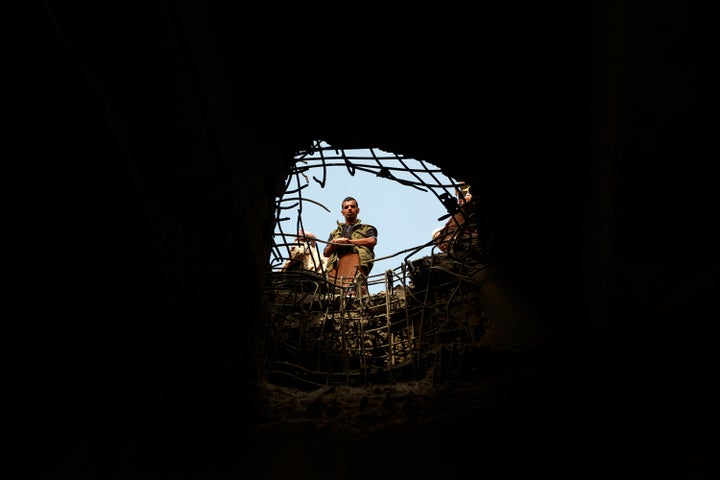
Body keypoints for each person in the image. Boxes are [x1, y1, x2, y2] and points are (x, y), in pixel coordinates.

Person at [323, 196, 378, 292]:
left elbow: (372, 241)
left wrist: (349, 242)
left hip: (356, 262)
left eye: (352, 206)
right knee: (335, 294)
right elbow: (326, 253)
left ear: (358, 210)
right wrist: (334, 243)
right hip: (337, 266)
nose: (349, 209)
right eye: (346, 207)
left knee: (355, 290)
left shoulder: (366, 228)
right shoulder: (334, 233)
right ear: (342, 212)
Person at [432, 181, 474, 252]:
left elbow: (468, 202)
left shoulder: (464, 208)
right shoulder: (458, 214)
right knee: (435, 233)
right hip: (456, 240)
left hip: (462, 238)